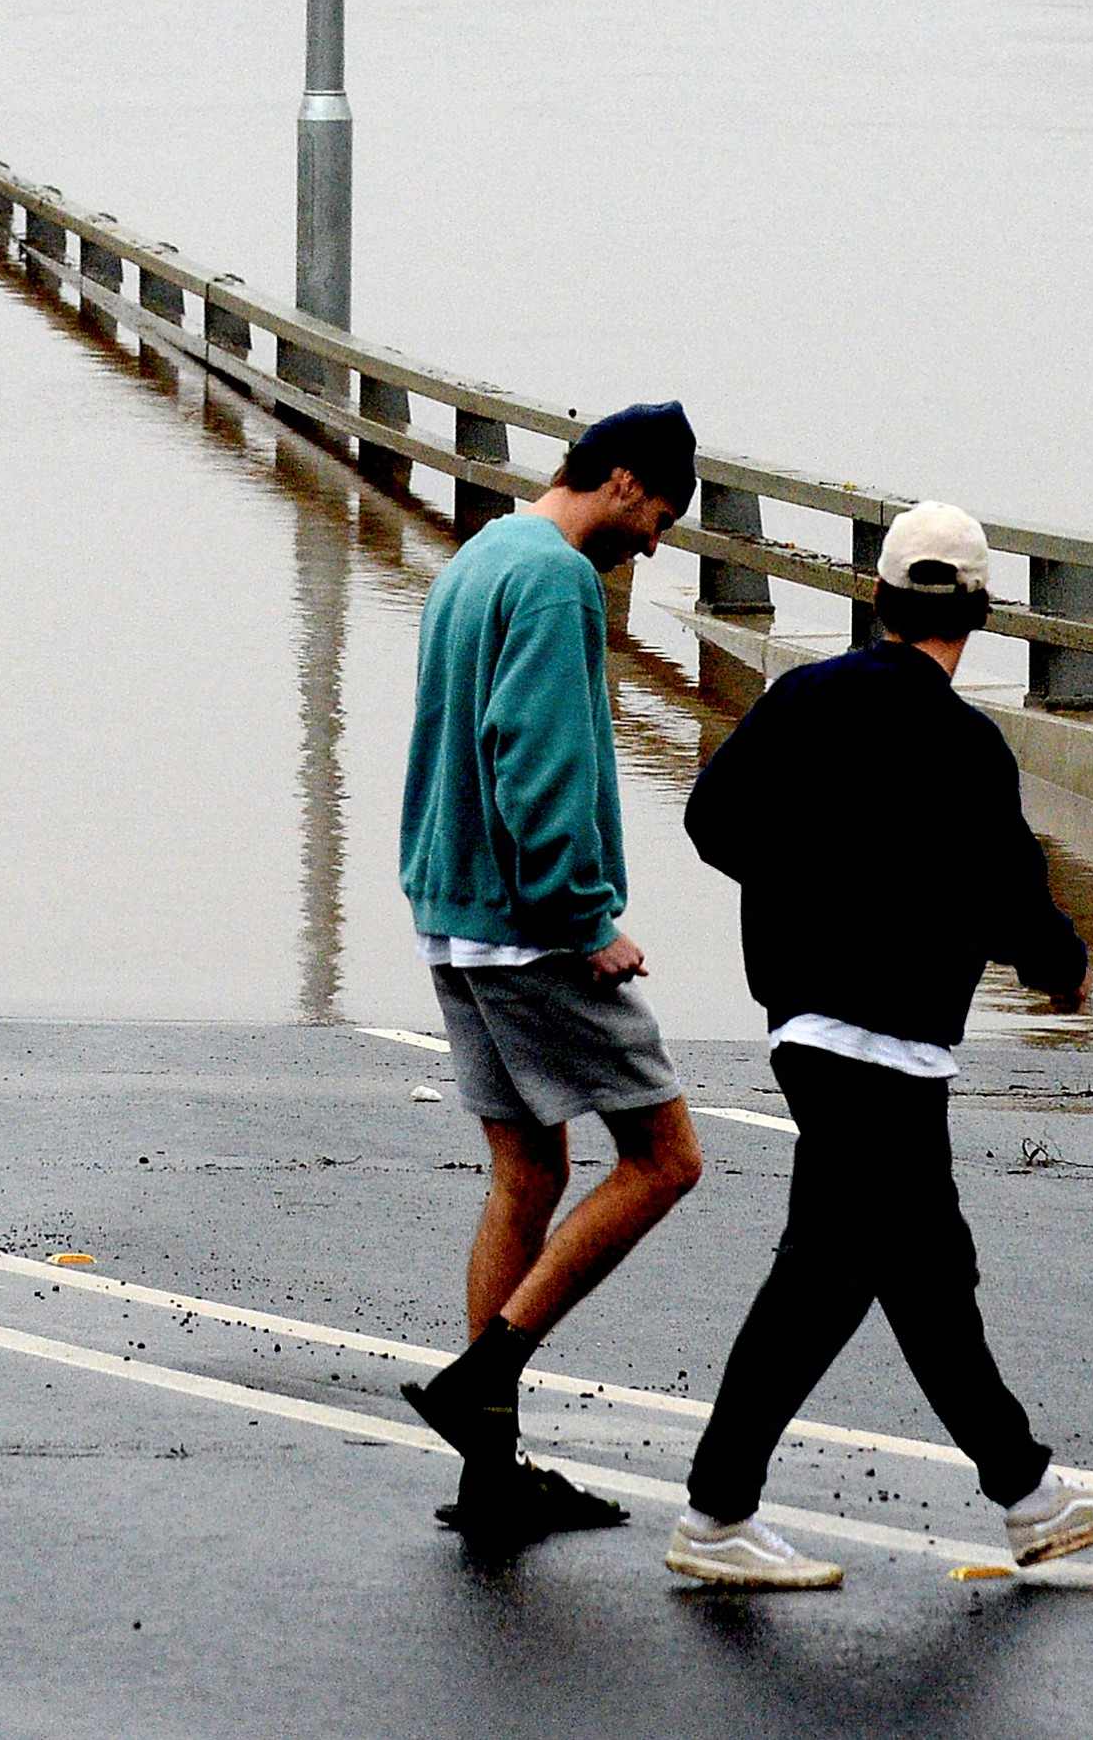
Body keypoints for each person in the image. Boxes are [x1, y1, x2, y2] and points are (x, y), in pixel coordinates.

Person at [660, 500, 1093, 1590]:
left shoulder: (801, 699)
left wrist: (805, 889)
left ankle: (1022, 1497)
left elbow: (712, 821)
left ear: (877, 598)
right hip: (893, 1045)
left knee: (900, 1267)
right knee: (853, 1272)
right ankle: (720, 1512)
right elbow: (1010, 891)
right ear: (977, 612)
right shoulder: (964, 743)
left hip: (804, 1023)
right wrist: (1061, 967)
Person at [393, 399, 713, 1546]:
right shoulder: (557, 581)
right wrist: (584, 918)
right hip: (531, 925)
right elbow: (533, 754)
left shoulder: (480, 555)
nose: (657, 541)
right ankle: (487, 1373)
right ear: (622, 481)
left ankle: (489, 1474)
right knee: (664, 1158)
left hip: (453, 911)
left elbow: (449, 739)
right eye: (661, 514)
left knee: (525, 1170)